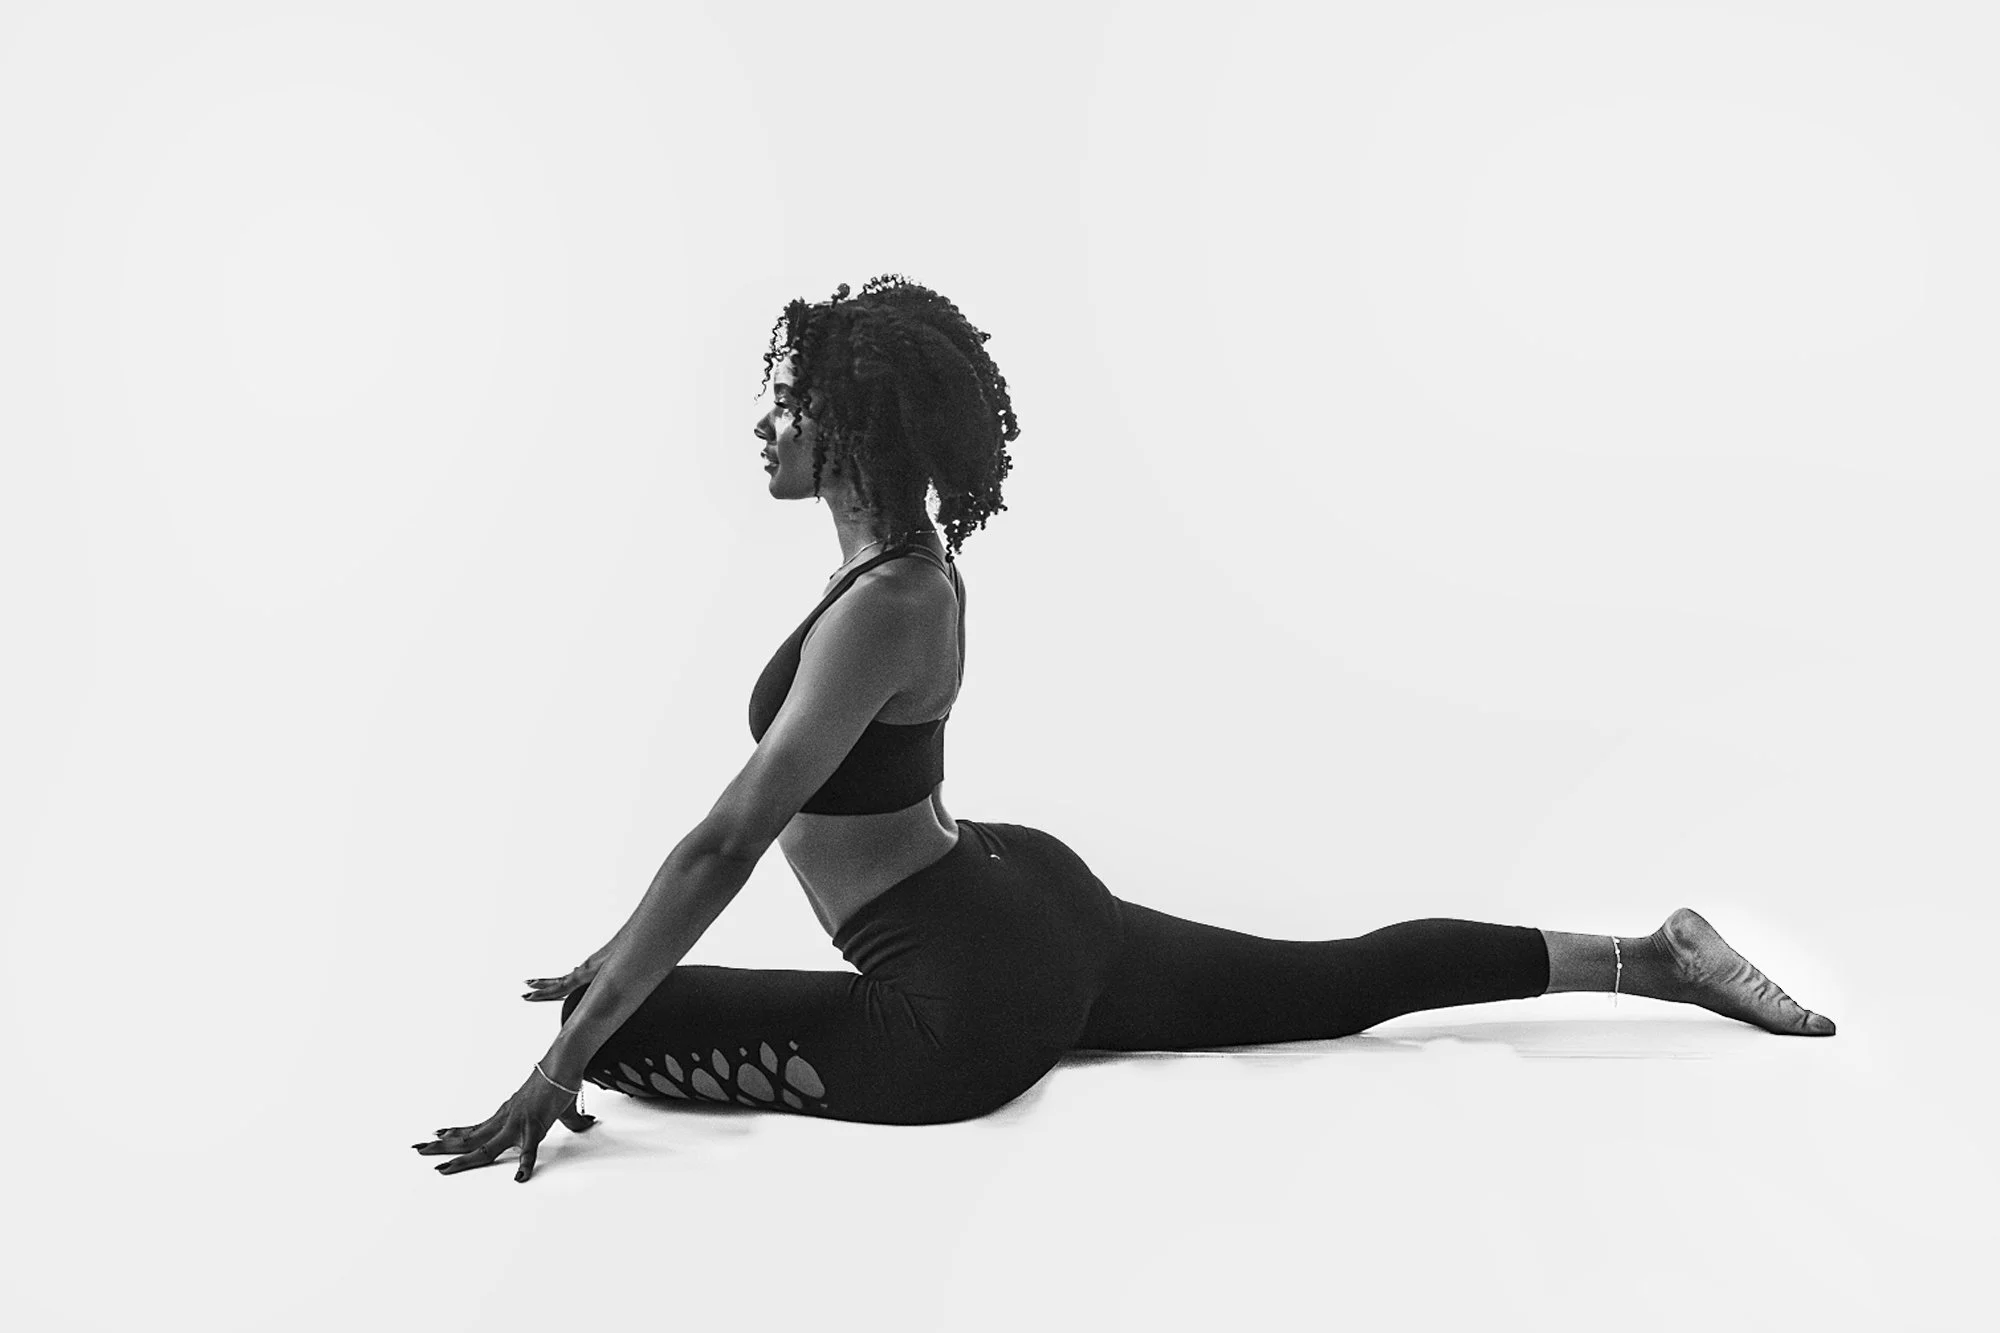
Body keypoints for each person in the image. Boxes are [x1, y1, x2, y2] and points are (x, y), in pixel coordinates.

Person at [415, 275, 1834, 1182]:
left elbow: (730, 838)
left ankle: (1649, 960)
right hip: (1024, 900)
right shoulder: (900, 576)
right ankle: (1651, 958)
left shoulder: (886, 604)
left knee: (620, 1033)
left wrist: (566, 1056)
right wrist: (617, 954)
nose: (763, 427)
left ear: (848, 425)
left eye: (786, 403)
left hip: (961, 1004)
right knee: (1330, 984)